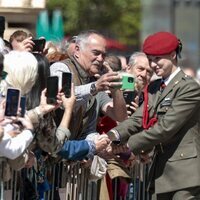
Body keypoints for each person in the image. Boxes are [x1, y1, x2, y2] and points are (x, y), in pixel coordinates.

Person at [107, 31, 200, 199]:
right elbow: (138, 118)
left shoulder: (189, 88)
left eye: (158, 59)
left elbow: (166, 127)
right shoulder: (155, 87)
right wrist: (113, 135)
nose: (153, 64)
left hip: (184, 174)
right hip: (160, 171)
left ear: (173, 55)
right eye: (150, 59)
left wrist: (129, 146)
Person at [50, 30, 127, 140]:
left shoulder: (94, 80)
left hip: (75, 152)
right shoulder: (61, 68)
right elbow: (63, 100)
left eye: (103, 55)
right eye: (96, 53)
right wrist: (94, 87)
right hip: (53, 150)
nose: (100, 59)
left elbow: (120, 117)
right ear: (77, 50)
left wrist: (116, 89)